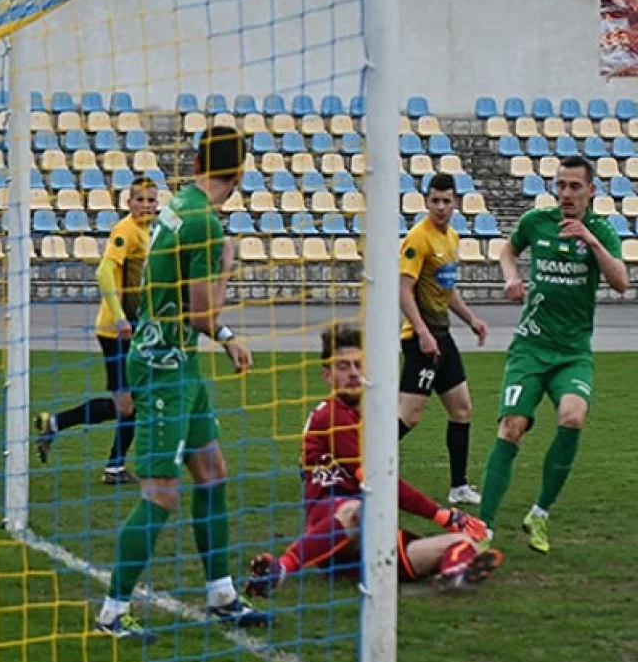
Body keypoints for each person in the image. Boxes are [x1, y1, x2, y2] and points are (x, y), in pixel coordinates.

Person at [94, 126, 270, 641]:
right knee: (162, 492)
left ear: (196, 163)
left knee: (212, 472)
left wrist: (227, 337)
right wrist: (227, 268)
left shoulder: (179, 204)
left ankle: (222, 595)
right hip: (163, 369)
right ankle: (112, 611)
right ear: (240, 173)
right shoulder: (205, 224)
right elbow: (200, 313)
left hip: (180, 362)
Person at [245, 325, 502, 598]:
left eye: (358, 365)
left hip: (367, 536)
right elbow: (378, 480)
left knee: (464, 542)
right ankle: (282, 568)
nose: (353, 373)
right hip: (335, 524)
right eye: (343, 366)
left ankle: (454, 574)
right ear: (327, 375)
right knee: (356, 509)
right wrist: (442, 514)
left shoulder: (365, 417)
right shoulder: (332, 415)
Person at [478, 155, 627, 554]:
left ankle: (539, 514)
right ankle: (482, 528)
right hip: (530, 347)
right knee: (511, 426)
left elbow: (621, 283)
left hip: (572, 352)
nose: (566, 194)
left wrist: (590, 241)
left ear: (591, 191)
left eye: (575, 186)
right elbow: (507, 251)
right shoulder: (536, 222)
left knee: (573, 416)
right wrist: (511, 276)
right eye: (560, 185)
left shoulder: (601, 231)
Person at [34, 178, 159, 484]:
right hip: (115, 331)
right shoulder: (126, 230)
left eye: (151, 200)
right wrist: (119, 317)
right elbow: (104, 271)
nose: (145, 205)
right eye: (140, 200)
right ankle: (111, 465)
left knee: (130, 404)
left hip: (133, 328)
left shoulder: (147, 232)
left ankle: (60, 427)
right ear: (128, 203)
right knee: (129, 405)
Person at [397, 172, 489, 505]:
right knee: (410, 415)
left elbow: (446, 290)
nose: (440, 207)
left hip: (442, 336)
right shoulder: (417, 239)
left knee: (462, 409)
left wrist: (471, 319)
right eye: (434, 201)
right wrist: (422, 333)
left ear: (455, 203)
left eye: (446, 201)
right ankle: (359, 462)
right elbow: (404, 291)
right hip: (420, 339)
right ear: (426, 202)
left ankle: (459, 486)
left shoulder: (451, 238)